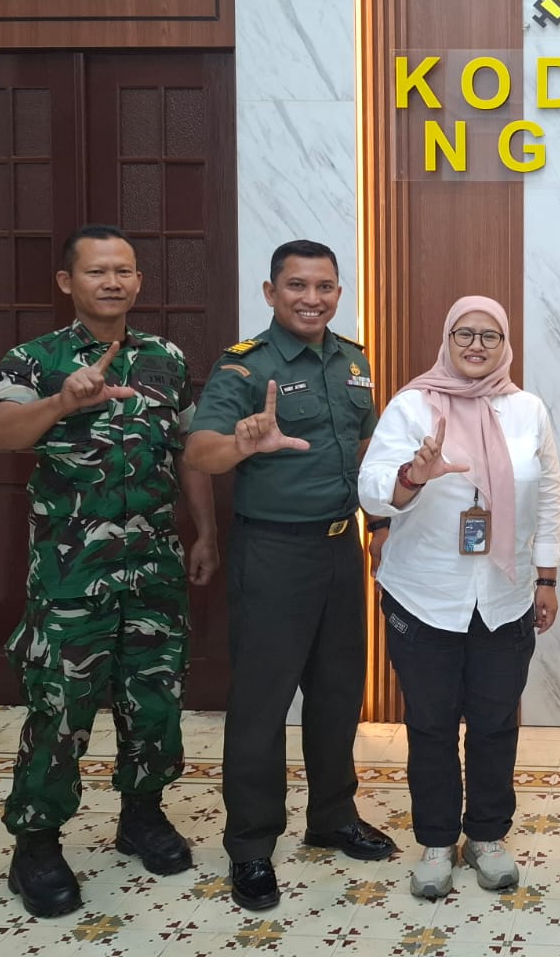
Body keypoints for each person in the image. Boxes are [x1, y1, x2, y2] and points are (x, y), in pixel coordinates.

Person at [0, 224, 217, 918]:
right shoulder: (34, 359)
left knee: (155, 699)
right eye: (96, 271)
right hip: (71, 573)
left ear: (138, 280)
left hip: (154, 566)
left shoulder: (164, 358)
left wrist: (205, 533)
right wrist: (62, 401)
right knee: (61, 707)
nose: (112, 282)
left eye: (123, 271)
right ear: (67, 282)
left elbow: (187, 451)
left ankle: (142, 814)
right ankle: (36, 843)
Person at [185, 240, 396, 911]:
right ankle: (250, 845)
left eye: (325, 286)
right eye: (297, 286)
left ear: (338, 293)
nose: (312, 298)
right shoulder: (245, 367)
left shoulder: (354, 360)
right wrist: (242, 443)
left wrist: (378, 521)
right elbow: (199, 451)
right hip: (273, 552)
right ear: (270, 292)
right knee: (262, 703)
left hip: (339, 550)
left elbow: (364, 448)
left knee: (338, 693)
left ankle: (332, 816)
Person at [359, 295, 560, 899]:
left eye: (489, 336)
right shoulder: (411, 405)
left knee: (496, 723)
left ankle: (488, 836)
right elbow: (371, 489)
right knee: (430, 724)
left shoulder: (527, 409)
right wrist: (412, 476)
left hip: (506, 594)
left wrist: (546, 578)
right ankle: (437, 840)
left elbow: (549, 495)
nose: (476, 346)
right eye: (464, 334)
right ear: (447, 340)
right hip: (425, 594)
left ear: (505, 344)